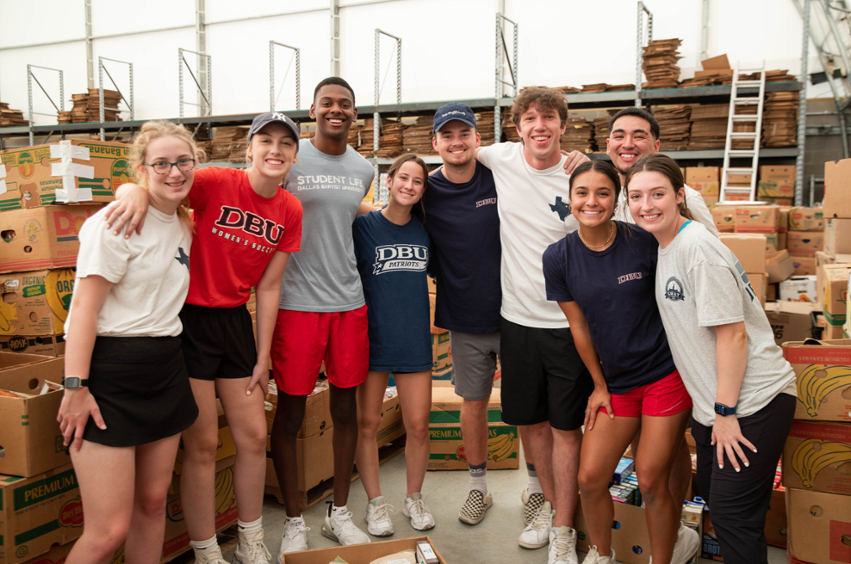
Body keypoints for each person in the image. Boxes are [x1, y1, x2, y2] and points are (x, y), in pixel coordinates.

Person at [104, 112, 304, 564]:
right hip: (188, 320)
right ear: (249, 149)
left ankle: (250, 539)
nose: (275, 150)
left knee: (253, 437)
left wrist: (262, 355)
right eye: (265, 141)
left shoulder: (290, 210)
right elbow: (159, 184)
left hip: (234, 322)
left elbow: (269, 287)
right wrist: (130, 190)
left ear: (294, 154)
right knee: (204, 443)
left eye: (285, 144)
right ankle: (206, 549)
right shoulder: (215, 181)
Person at [626, 154, 796, 564]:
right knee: (723, 509)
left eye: (658, 194)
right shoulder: (666, 245)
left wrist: (724, 411)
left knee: (734, 515)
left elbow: (734, 335)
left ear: (680, 195)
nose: (646, 205)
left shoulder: (696, 247)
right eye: (636, 196)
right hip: (716, 406)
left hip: (751, 400)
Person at [59, 121, 200, 564]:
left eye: (183, 161)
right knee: (107, 531)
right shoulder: (116, 223)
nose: (175, 172)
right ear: (143, 169)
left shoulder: (181, 221)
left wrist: (133, 189)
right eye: (162, 164)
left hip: (165, 367)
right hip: (112, 374)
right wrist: (75, 387)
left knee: (153, 503)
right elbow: (83, 308)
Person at [542, 160, 697, 564]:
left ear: (617, 200)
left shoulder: (642, 242)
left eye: (603, 193)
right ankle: (601, 554)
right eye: (582, 193)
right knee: (590, 479)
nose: (591, 201)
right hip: (617, 385)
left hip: (665, 375)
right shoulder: (558, 257)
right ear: (569, 198)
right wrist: (598, 385)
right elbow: (579, 326)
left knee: (650, 479)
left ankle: (662, 558)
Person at [475, 86, 592, 564]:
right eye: (530, 118)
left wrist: (589, 160)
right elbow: (453, 149)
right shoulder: (500, 159)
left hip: (568, 325)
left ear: (563, 126)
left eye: (549, 117)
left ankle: (563, 527)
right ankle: (548, 506)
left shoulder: (580, 174)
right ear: (517, 126)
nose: (539, 125)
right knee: (533, 423)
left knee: (566, 427)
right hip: (517, 320)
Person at [271, 77, 376, 556]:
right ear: (312, 110)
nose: (337, 110)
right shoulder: (290, 159)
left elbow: (351, 218)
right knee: (291, 411)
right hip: (295, 304)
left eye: (346, 104)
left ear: (355, 113)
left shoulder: (364, 167)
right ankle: (295, 519)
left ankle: (339, 512)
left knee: (345, 409)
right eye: (328, 103)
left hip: (348, 303)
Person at [353, 154, 435, 536]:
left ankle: (414, 498)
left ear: (422, 190)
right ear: (389, 180)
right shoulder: (364, 226)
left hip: (413, 339)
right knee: (367, 425)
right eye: (403, 177)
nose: (409, 186)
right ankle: (375, 504)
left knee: (418, 425)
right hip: (371, 341)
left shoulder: (424, 230)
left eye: (417, 181)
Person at [605, 106, 716, 235]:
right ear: (608, 146)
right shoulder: (602, 197)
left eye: (638, 137)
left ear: (656, 147)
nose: (628, 144)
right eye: (619, 136)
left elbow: (712, 249)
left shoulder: (685, 198)